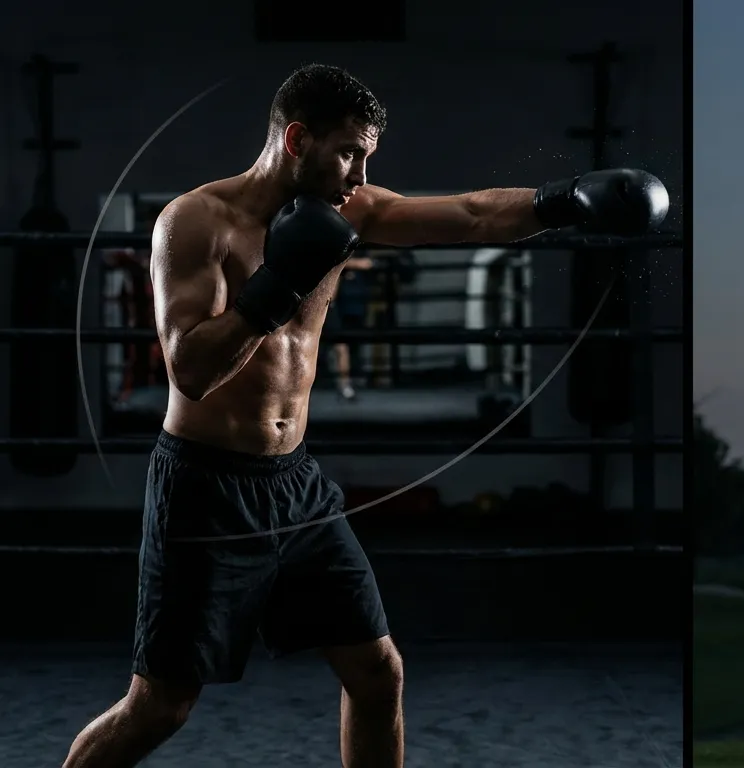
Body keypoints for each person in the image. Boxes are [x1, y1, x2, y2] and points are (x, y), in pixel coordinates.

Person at [61, 63, 668, 768]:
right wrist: (278, 284)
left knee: (378, 674)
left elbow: (474, 214)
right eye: (349, 151)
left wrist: (566, 201)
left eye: (368, 156)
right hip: (204, 491)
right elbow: (191, 371)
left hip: (295, 488)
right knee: (161, 706)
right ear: (296, 138)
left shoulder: (352, 210)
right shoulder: (194, 223)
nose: (359, 172)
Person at [325, 254, 374, 400]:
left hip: (329, 308)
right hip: (312, 306)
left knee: (341, 348)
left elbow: (365, 263)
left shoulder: (341, 256)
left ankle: (344, 386)